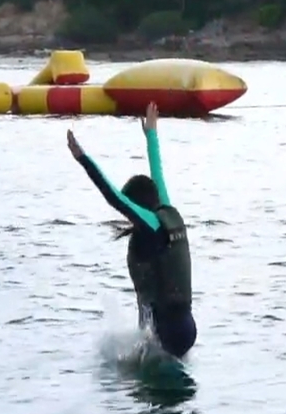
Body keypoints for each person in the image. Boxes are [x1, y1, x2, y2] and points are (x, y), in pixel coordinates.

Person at [66, 102, 197, 359]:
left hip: (167, 331)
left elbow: (114, 197)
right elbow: (158, 172)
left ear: (137, 205)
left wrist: (83, 159)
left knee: (130, 367)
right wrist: (151, 133)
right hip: (187, 327)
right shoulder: (166, 212)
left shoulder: (149, 224)